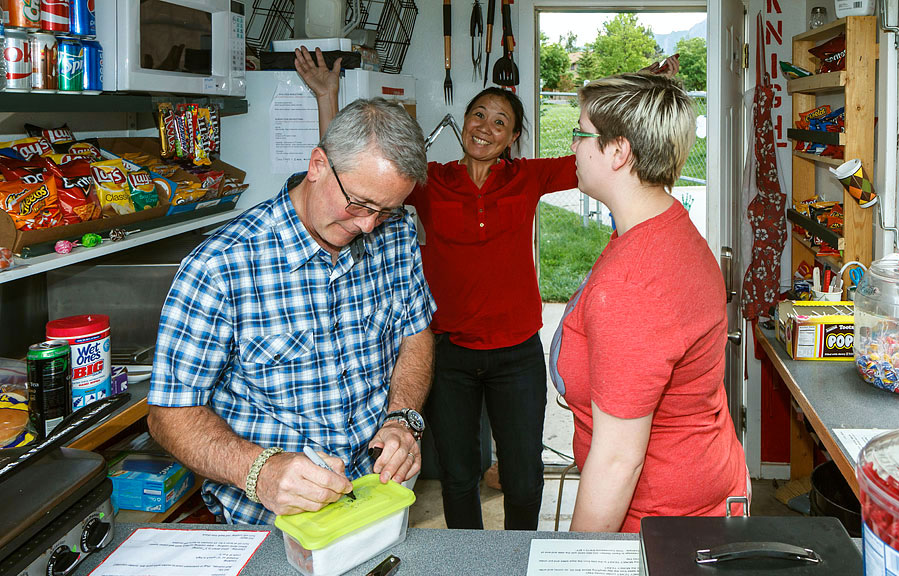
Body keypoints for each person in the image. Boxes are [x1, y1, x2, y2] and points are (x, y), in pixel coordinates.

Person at [294, 46, 578, 530]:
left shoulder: (527, 178)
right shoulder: (432, 180)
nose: (485, 127)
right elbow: (354, 164)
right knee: (459, 474)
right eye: (478, 115)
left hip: (517, 353)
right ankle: (464, 564)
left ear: (512, 138)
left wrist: (645, 87)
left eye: (500, 122)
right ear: (464, 122)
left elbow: (598, 157)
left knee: (525, 476)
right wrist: (329, 95)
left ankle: (523, 560)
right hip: (449, 354)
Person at [146, 97, 436, 525]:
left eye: (385, 210)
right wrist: (258, 471)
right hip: (266, 525)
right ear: (318, 165)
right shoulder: (221, 266)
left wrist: (402, 417)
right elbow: (169, 414)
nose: (369, 226)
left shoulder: (398, 231)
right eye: (358, 204)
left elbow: (415, 332)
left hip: (375, 503)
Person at [549, 73, 748, 533]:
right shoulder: (666, 227)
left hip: (662, 526)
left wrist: (579, 570)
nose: (574, 148)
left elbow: (618, 461)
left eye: (580, 134)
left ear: (618, 152)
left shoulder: (634, 283)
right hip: (703, 488)